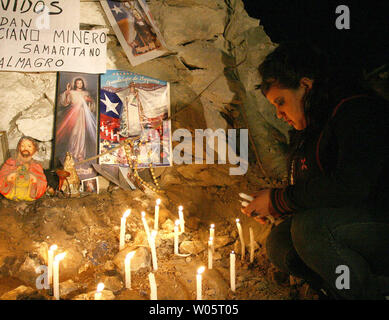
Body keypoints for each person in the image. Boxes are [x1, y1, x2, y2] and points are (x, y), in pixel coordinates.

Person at [242, 42, 389, 299]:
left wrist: (280, 199)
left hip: (381, 219)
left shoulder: (356, 112)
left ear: (306, 86)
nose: (279, 114)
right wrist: (275, 204)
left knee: (310, 229)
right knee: (280, 243)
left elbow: (350, 187)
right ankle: (336, 288)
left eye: (281, 102)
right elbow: (313, 190)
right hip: (354, 225)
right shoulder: (310, 129)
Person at [56, 77, 97, 163]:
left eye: (81, 83)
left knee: (81, 134)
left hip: (82, 114)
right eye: (78, 83)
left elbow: (92, 105)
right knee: (73, 133)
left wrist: (90, 101)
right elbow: (65, 102)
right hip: (73, 114)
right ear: (75, 84)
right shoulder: (72, 92)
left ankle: (80, 154)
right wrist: (67, 92)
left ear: (83, 84)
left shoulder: (86, 93)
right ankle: (71, 153)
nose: (79, 85)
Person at [0, 136, 47, 201]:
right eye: (22, 146)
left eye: (29, 146)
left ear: (34, 149)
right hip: (12, 193)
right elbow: (2, 175)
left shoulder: (36, 166)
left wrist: (35, 180)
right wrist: (8, 177)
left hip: (29, 195)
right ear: (19, 148)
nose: (25, 148)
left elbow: (42, 181)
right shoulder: (11, 162)